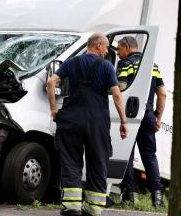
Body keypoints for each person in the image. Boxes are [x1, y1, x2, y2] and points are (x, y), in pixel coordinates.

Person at [47, 32, 128, 216]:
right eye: (106, 47)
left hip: (71, 119)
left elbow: (51, 82)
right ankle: (93, 208)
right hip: (97, 121)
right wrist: (123, 121)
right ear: (98, 45)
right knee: (98, 162)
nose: (107, 51)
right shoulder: (106, 67)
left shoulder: (72, 62)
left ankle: (72, 206)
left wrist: (53, 109)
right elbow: (116, 94)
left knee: (71, 161)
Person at [116, 36, 166, 207]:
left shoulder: (125, 64)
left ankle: (129, 195)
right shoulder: (153, 65)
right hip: (148, 113)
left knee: (127, 155)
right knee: (150, 156)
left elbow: (121, 90)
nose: (118, 53)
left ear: (128, 47)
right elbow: (162, 93)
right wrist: (157, 117)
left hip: (130, 114)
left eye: (119, 49)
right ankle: (157, 198)